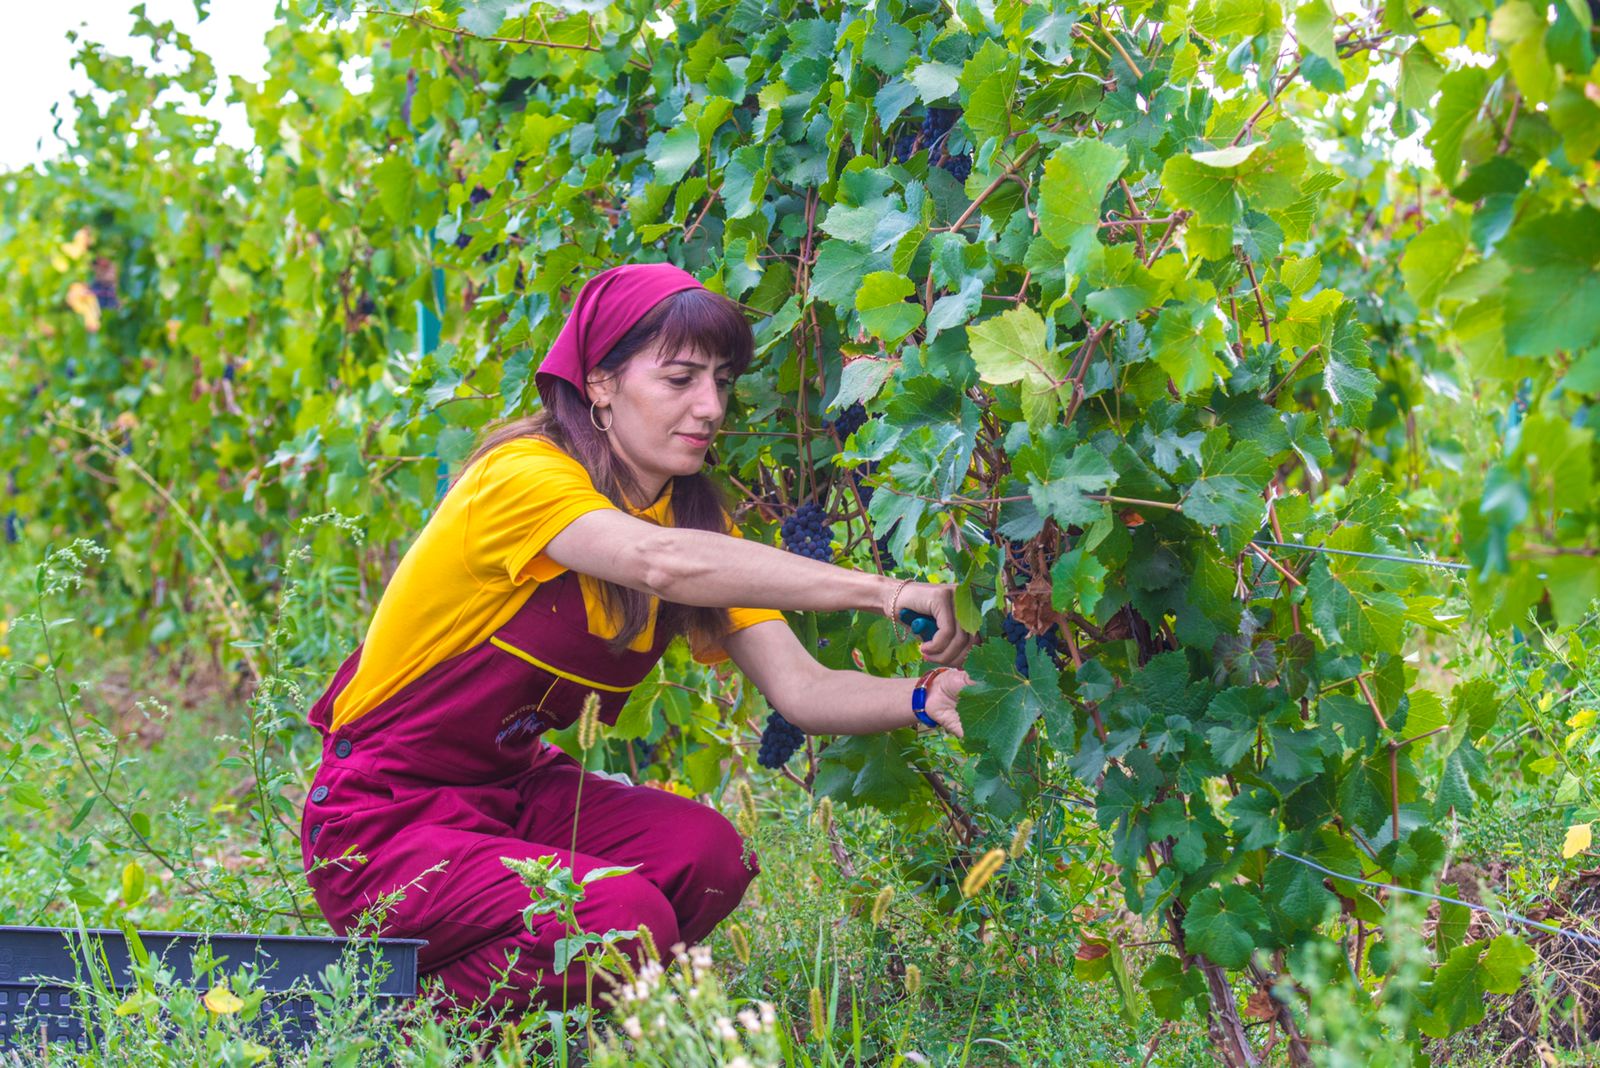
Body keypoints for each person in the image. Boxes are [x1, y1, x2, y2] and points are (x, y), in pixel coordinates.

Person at [298, 262, 976, 1018]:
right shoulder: (520, 478)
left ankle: (545, 1026)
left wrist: (924, 696)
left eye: (722, 380)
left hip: (510, 799)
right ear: (600, 383)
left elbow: (803, 690)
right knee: (620, 920)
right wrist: (884, 591)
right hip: (383, 822)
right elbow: (660, 563)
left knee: (708, 858)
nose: (710, 406)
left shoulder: (694, 524)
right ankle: (403, 1035)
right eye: (680, 378)